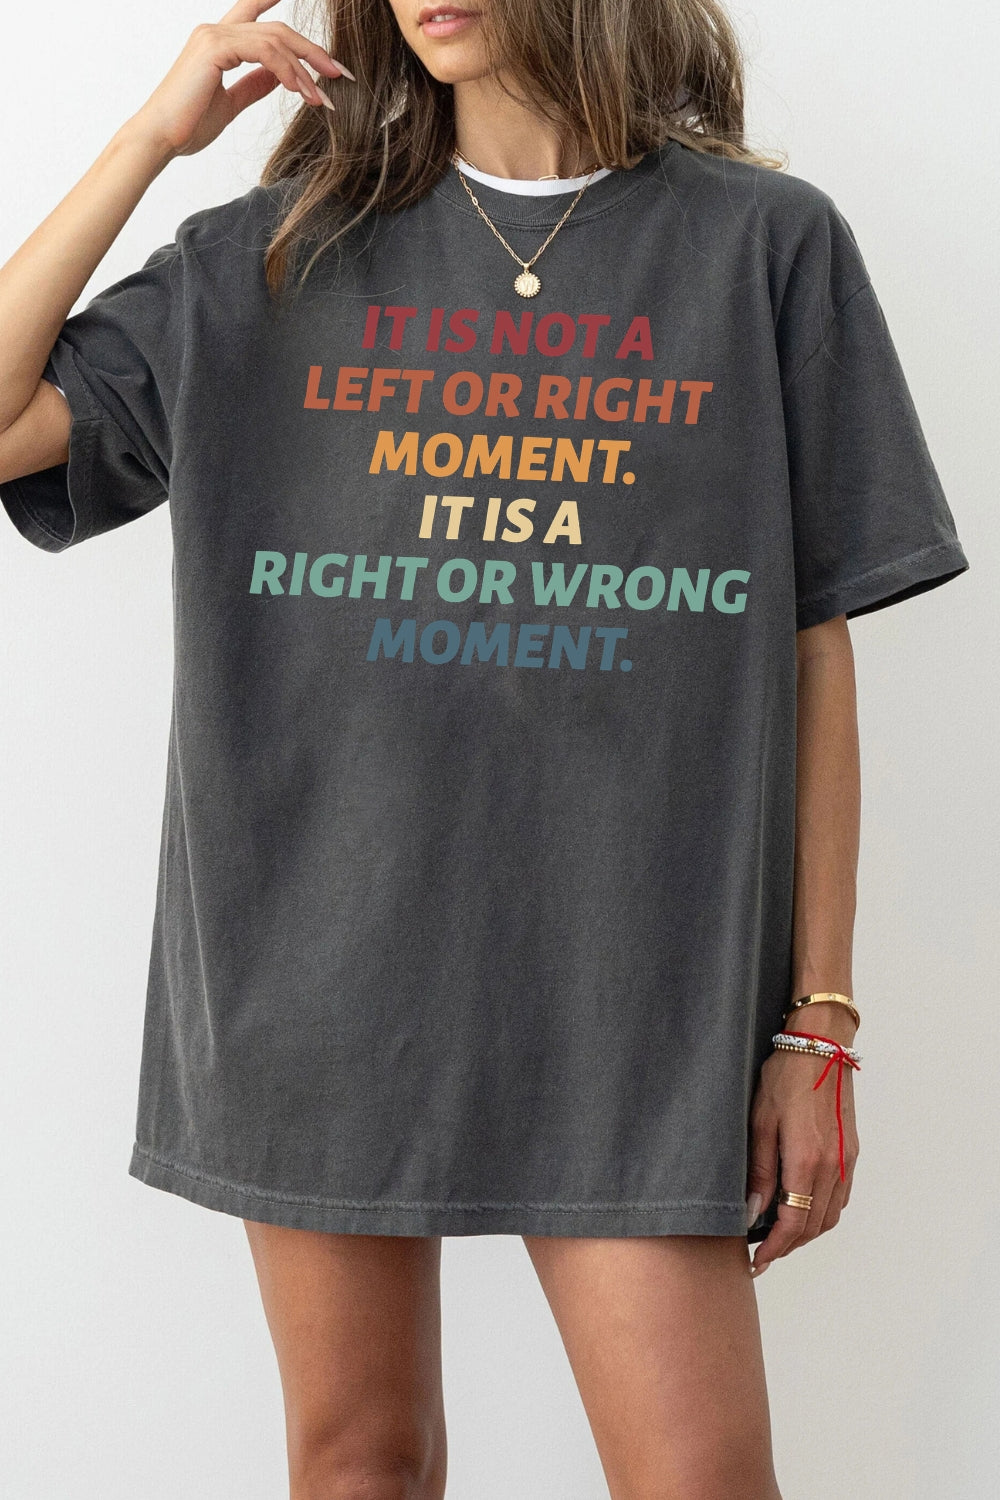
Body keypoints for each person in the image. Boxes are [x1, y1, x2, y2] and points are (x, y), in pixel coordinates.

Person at [0, 1, 970, 1496]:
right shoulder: (272, 252)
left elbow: (811, 642)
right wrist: (149, 140)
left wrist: (819, 1019)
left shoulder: (761, 246)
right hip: (319, 971)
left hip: (634, 1000)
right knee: (359, 1464)